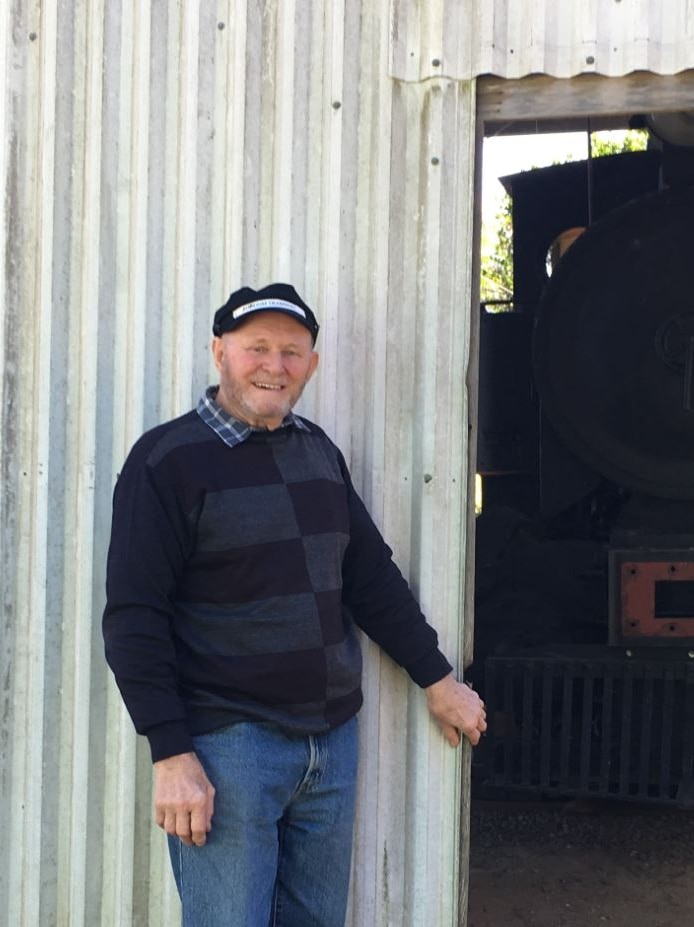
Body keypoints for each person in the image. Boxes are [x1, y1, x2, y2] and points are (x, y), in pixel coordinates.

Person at [103, 282, 487, 927]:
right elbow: (134, 619)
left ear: (311, 364)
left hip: (331, 747)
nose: (273, 366)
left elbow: (369, 578)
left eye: (292, 351)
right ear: (219, 352)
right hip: (229, 749)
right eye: (257, 347)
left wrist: (437, 678)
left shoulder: (317, 452)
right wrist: (171, 755)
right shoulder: (166, 462)